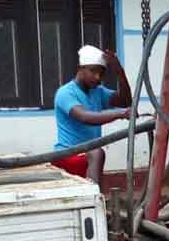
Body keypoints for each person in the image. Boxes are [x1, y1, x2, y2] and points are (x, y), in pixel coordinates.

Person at [53, 45, 132, 185]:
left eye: (101, 73)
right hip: (67, 156)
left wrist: (119, 72)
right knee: (97, 153)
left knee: (95, 152)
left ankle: (94, 199)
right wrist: (120, 114)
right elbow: (85, 117)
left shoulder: (97, 91)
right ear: (80, 68)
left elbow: (125, 101)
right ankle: (95, 202)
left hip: (86, 156)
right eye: (93, 71)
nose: (98, 77)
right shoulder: (65, 92)